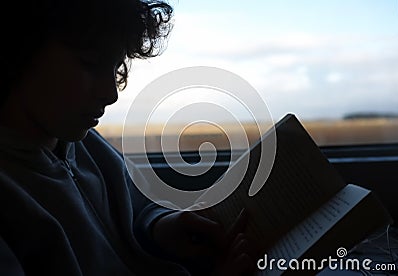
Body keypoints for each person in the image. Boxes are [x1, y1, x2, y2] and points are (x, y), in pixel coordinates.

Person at [0, 0, 257, 275]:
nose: (111, 94)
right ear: (21, 51)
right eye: (90, 64)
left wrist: (158, 228)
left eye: (115, 67)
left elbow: (133, 212)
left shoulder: (84, 144)